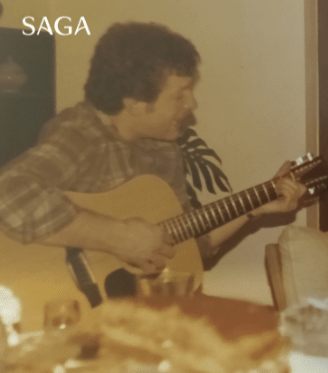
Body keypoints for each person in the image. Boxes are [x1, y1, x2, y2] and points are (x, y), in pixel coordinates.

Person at [0, 23, 306, 277]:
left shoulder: (163, 148)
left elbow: (192, 246)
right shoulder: (80, 134)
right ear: (134, 102)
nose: (192, 104)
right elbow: (9, 192)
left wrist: (254, 208)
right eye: (180, 95)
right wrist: (117, 237)